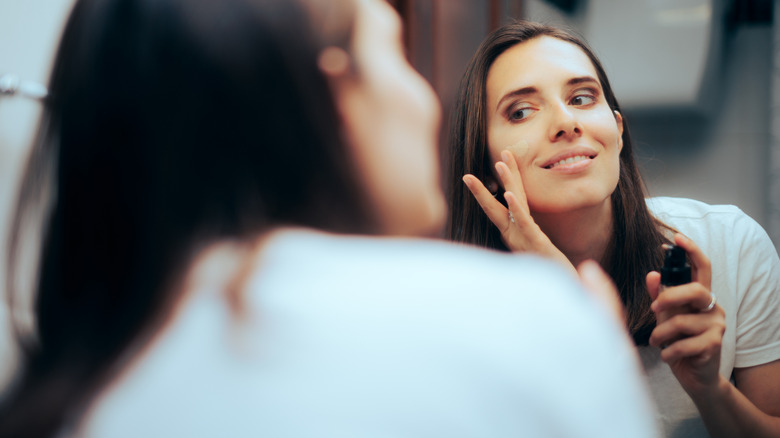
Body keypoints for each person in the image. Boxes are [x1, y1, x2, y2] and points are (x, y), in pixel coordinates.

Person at [0, 1, 660, 437]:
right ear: (332, 92)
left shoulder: (76, 387)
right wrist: (583, 352)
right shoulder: (524, 325)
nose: (424, 96)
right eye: (395, 53)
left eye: (583, 96)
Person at [446, 20, 780, 437]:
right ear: (486, 167)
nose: (566, 122)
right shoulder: (459, 316)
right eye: (522, 111)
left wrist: (710, 389)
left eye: (582, 97)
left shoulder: (731, 244)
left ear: (618, 132)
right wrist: (569, 306)